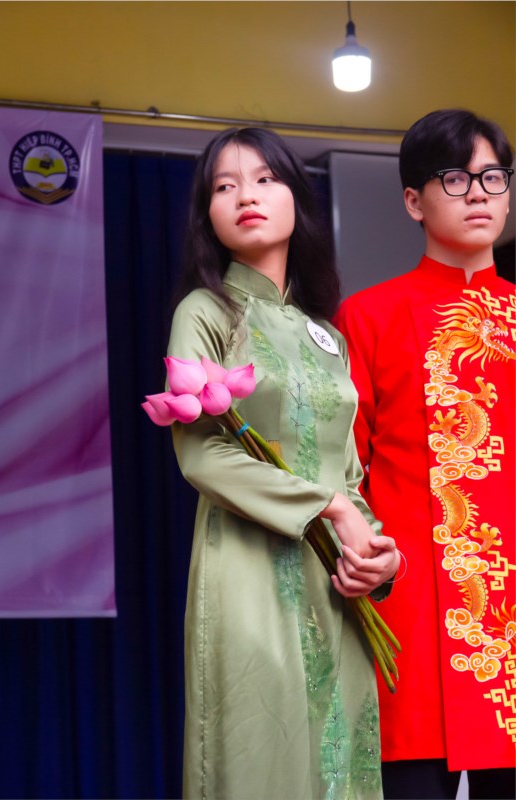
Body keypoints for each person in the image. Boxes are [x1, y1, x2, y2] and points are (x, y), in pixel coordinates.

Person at [165, 127, 400, 800]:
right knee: (260, 758)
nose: (247, 196)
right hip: (247, 577)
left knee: (339, 766)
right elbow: (201, 450)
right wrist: (327, 506)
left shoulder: (327, 334)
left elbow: (348, 473)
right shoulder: (206, 312)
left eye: (265, 179)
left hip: (334, 585)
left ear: (296, 197)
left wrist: (377, 558)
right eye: (225, 186)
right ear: (207, 214)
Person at [335, 110, 515, 800]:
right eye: (455, 179)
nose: (478, 194)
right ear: (414, 201)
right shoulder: (367, 316)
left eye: (492, 177)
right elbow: (342, 472)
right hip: (412, 606)